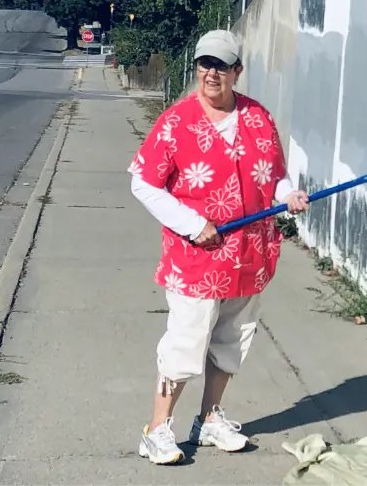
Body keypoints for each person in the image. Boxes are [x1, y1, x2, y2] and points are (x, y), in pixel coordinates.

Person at [127, 29, 309, 465]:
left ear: (236, 72)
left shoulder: (258, 118)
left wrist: (288, 196)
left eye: (221, 65)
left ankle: (208, 419)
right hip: (197, 260)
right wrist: (193, 224)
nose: (211, 73)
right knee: (186, 342)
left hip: (250, 257)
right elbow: (143, 183)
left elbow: (274, 175)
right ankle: (156, 429)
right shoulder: (176, 122)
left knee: (231, 341)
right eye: (205, 64)